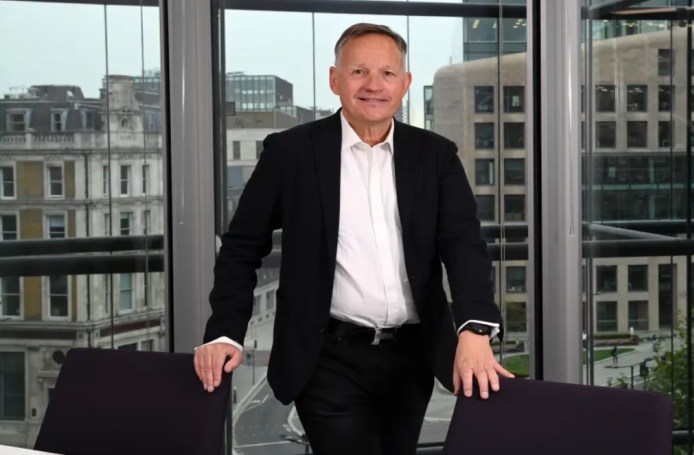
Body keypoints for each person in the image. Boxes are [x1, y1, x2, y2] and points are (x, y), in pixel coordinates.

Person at [193, 23, 513, 455]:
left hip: (412, 356)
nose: (373, 85)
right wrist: (225, 332)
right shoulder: (289, 153)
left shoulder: (435, 155)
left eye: (386, 73)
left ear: (405, 84)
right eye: (359, 71)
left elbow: (463, 245)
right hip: (326, 357)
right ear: (335, 79)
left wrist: (475, 327)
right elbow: (241, 246)